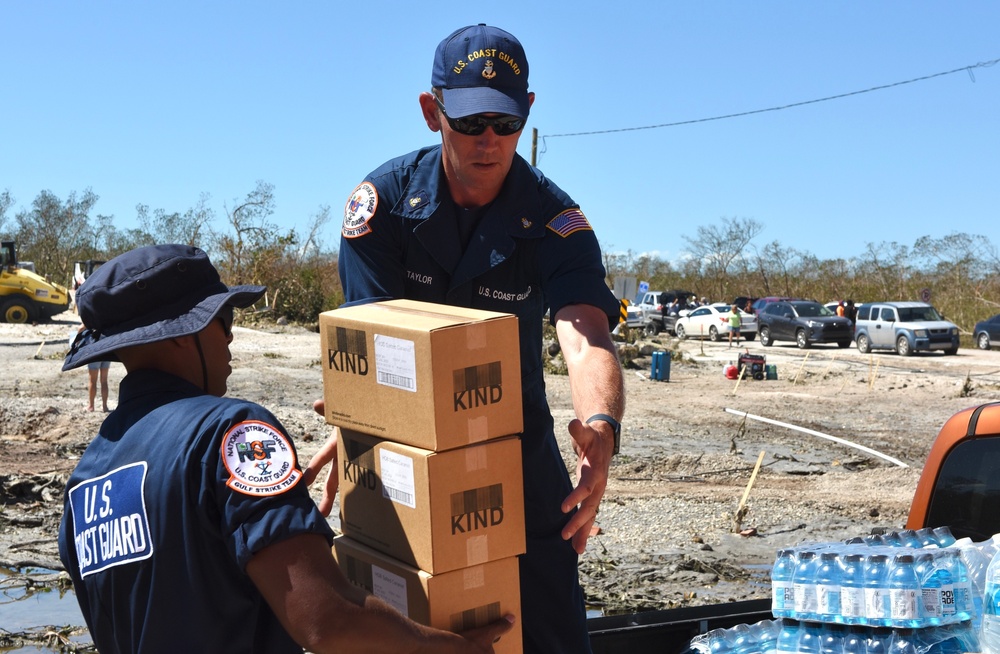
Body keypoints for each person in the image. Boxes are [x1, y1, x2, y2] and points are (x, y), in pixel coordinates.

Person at [58, 244, 513, 654]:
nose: (231, 337)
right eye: (224, 319)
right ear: (181, 332)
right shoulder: (231, 431)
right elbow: (327, 621)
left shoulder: (86, 479)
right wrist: (450, 648)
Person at [332, 24, 625, 654]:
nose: (489, 141)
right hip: (397, 451)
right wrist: (351, 428)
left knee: (549, 624)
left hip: (515, 449)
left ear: (527, 114)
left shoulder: (556, 222)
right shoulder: (381, 206)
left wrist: (600, 424)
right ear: (432, 112)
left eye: (505, 121)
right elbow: (370, 343)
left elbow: (585, 333)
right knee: (408, 619)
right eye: (470, 122)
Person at [74, 325, 112, 412]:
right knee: (104, 380)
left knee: (92, 380)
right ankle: (105, 406)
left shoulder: (91, 315)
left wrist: (77, 342)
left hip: (94, 351)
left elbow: (81, 328)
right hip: (107, 350)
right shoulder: (108, 315)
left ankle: (91, 406)